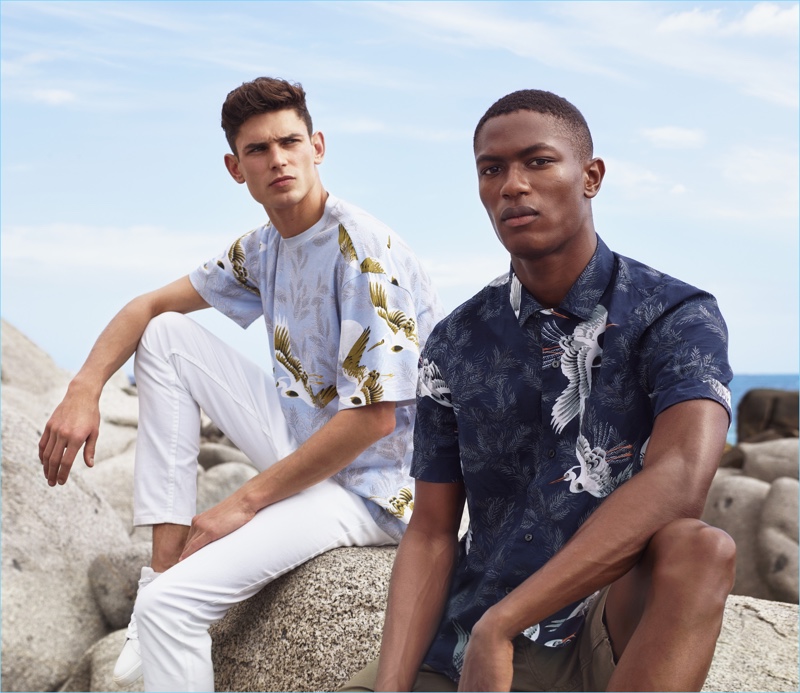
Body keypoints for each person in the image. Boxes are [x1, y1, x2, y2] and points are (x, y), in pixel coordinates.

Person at [38, 76, 443, 692]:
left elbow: (375, 419)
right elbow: (147, 306)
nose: (278, 159)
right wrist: (84, 388)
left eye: (290, 142)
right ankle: (161, 567)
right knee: (168, 333)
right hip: (308, 442)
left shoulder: (362, 248)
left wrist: (241, 503)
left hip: (377, 486)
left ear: (318, 146)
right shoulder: (263, 248)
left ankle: (164, 601)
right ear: (236, 167)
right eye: (259, 150)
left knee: (174, 610)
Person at [343, 89, 735, 692]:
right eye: (492, 169)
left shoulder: (675, 314)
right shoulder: (456, 342)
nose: (512, 185)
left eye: (538, 162)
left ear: (591, 177)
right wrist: (392, 686)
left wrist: (506, 622)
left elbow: (684, 473)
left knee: (700, 548)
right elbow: (430, 529)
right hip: (469, 635)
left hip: (604, 627)